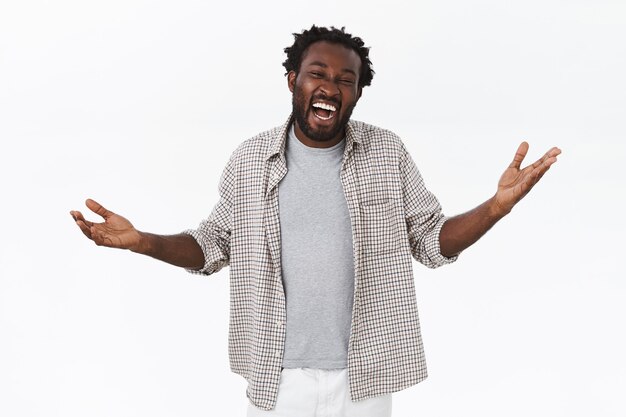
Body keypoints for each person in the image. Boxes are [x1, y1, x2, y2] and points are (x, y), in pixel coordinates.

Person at [70, 25, 561, 417]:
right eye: (318, 73)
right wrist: (141, 242)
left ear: (357, 93)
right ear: (294, 81)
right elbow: (212, 244)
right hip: (276, 378)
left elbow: (430, 241)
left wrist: (495, 207)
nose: (330, 86)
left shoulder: (386, 153)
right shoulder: (250, 161)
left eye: (345, 80)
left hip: (366, 379)